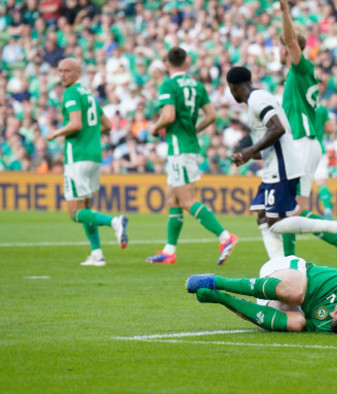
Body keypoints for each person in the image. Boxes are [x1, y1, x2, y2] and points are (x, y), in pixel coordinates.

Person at [185, 197, 337, 333]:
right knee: (296, 294)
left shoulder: (332, 326)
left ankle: (219, 297)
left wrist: (231, 305)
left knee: (296, 324)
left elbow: (283, 320)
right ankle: (217, 281)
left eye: (332, 318)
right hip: (292, 272)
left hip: (276, 297)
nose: (330, 314)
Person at [226, 66, 337, 275]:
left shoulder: (257, 99)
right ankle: (280, 270)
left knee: (275, 223)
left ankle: (336, 227)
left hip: (283, 168)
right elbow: (273, 139)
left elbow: (278, 128)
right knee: (262, 216)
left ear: (233, 88)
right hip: (276, 165)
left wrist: (250, 150)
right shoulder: (257, 99)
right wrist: (248, 155)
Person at [146, 47, 237, 265]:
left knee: (187, 200)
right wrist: (194, 130)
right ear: (187, 63)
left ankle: (226, 237)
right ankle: (169, 251)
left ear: (168, 64)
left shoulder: (168, 85)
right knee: (172, 198)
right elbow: (212, 116)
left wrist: (154, 127)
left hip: (179, 148)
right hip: (186, 145)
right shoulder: (197, 85)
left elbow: (168, 116)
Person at [46, 58, 128, 267]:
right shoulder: (89, 94)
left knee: (74, 212)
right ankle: (97, 253)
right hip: (94, 156)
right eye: (60, 70)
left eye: (67, 71)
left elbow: (75, 124)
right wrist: (90, 135)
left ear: (77, 73)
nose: (62, 74)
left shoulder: (71, 93)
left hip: (78, 156)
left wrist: (56, 132)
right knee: (86, 207)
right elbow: (107, 125)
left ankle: (114, 222)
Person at [278, 0, 337, 258]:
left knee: (293, 208)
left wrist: (284, 11)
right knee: (290, 207)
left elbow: (292, 41)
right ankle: (289, 259)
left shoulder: (301, 69)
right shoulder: (297, 76)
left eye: (283, 48)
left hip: (303, 142)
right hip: (302, 143)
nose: (280, 52)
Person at [313, 103, 335, 219]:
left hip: (301, 149)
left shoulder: (298, 105)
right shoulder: (321, 108)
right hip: (319, 149)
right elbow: (330, 128)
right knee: (321, 182)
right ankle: (328, 209)